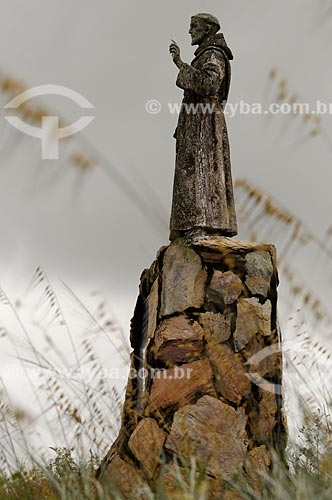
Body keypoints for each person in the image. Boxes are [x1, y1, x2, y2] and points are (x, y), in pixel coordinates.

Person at [169, 13, 237, 241]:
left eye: (194, 26)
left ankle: (203, 224)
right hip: (197, 123)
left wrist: (180, 64)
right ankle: (191, 224)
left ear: (208, 29)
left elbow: (209, 85)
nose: (190, 31)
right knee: (195, 172)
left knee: (202, 172)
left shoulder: (213, 55)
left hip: (204, 124)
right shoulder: (206, 55)